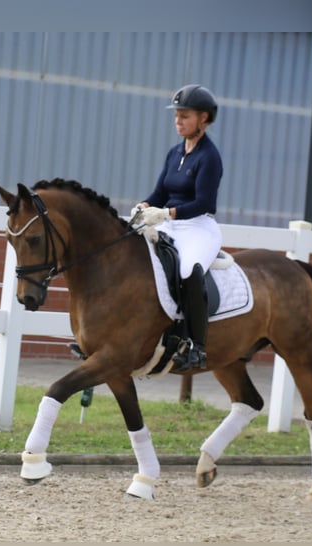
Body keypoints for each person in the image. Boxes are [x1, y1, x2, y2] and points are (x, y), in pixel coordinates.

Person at [132, 84, 223, 372]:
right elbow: (160, 191)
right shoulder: (175, 153)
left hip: (197, 226)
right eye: (176, 115)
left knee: (188, 270)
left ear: (204, 118)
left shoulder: (210, 157)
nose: (178, 120)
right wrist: (145, 206)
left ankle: (197, 346)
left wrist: (166, 213)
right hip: (170, 223)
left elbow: (203, 201)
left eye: (185, 116)